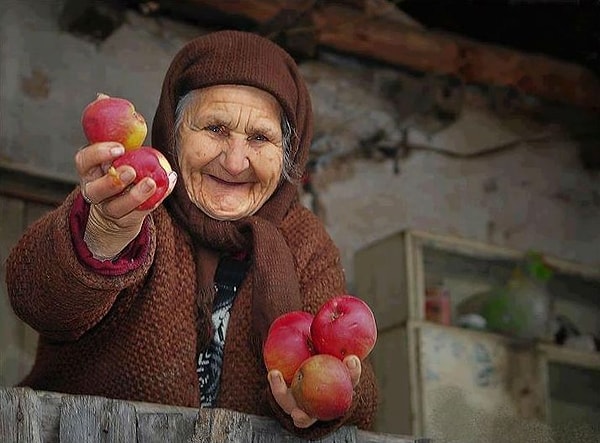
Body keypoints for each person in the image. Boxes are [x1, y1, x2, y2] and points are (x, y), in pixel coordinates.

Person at [6, 30, 378, 439]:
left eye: (260, 138)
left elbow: (362, 392)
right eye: (215, 128)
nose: (236, 162)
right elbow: (37, 299)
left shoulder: (304, 240)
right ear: (174, 132)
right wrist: (102, 235)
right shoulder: (133, 202)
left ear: (288, 153)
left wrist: (327, 398)